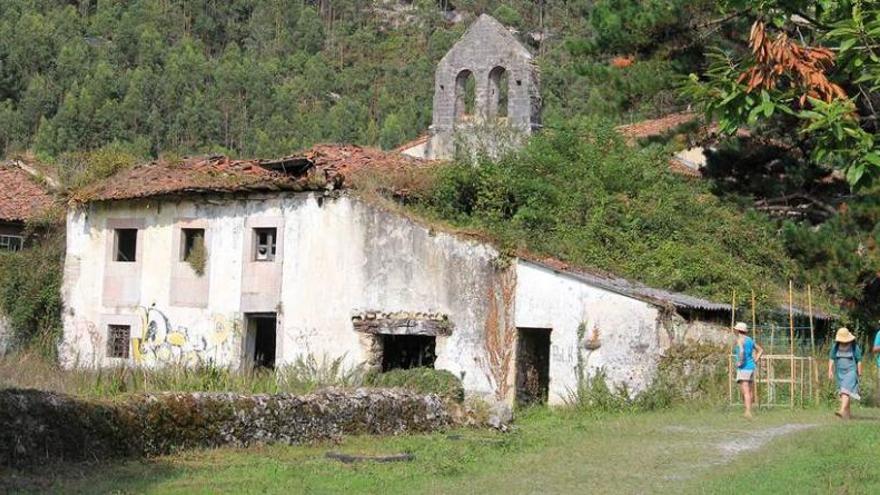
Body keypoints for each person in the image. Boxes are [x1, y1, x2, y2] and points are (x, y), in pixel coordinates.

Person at [828, 327, 863, 419]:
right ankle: (847, 415)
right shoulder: (835, 346)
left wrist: (859, 372)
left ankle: (842, 410)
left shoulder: (854, 346)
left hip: (851, 372)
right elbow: (831, 358)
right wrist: (830, 371)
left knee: (845, 391)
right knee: (843, 393)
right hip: (840, 372)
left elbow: (859, 360)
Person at [733, 321, 763, 418]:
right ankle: (748, 410)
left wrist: (740, 362)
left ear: (738, 330)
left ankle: (748, 412)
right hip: (751, 367)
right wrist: (755, 360)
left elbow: (741, 351)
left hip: (744, 368)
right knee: (749, 391)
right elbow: (760, 350)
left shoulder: (740, 339)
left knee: (745, 391)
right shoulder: (750, 339)